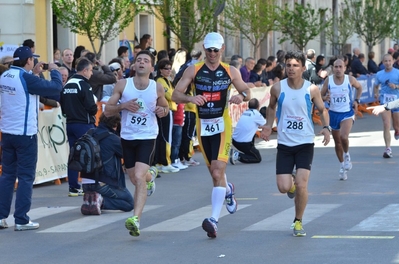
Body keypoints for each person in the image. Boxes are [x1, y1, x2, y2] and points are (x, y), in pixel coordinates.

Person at [172, 32, 251, 238]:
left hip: (222, 125)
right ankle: (228, 190)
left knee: (217, 172)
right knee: (216, 176)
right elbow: (175, 94)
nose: (213, 53)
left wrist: (239, 97)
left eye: (216, 50)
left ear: (222, 49)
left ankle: (214, 220)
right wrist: (191, 97)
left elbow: (246, 92)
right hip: (203, 125)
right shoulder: (194, 70)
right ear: (204, 49)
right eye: (209, 50)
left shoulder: (230, 71)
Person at [260, 51, 331, 237]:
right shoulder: (277, 88)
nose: (291, 69)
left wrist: (326, 127)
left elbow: (322, 110)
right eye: (288, 65)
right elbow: (271, 107)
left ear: (302, 68)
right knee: (283, 187)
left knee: (302, 184)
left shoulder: (311, 89)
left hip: (305, 142)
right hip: (284, 143)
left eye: (295, 65)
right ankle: (290, 186)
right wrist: (268, 125)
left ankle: (298, 221)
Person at [104, 50, 169, 237]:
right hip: (127, 137)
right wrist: (123, 106)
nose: (141, 63)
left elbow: (165, 107)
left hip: (148, 136)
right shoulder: (123, 84)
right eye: (138, 60)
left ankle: (136, 219)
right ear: (133, 65)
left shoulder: (156, 87)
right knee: (134, 178)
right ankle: (151, 177)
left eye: (145, 60)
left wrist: (162, 110)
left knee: (138, 177)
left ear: (151, 67)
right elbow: (107, 110)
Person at [0, 46, 62, 231]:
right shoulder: (25, 78)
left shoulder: (5, 76)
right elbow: (55, 88)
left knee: (7, 176)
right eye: (32, 60)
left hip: (8, 133)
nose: (35, 62)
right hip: (25, 134)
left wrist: (35, 73)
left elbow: (25, 90)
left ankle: (1, 216)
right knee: (26, 177)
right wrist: (54, 70)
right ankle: (21, 219)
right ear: (28, 60)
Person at [81, 113, 134, 215]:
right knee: (129, 203)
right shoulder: (113, 139)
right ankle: (100, 201)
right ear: (115, 125)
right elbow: (128, 154)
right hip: (103, 183)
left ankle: (91, 199)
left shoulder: (89, 133)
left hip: (85, 182)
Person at [60, 58, 98, 197]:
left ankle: (73, 187)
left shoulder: (67, 84)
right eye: (91, 70)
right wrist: (94, 107)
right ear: (85, 70)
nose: (92, 74)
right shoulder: (84, 85)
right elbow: (91, 108)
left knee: (74, 156)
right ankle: (90, 186)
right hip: (83, 124)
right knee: (89, 155)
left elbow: (63, 107)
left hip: (69, 124)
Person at [320, 59, 362, 180]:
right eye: (336, 67)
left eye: (340, 67)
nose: (338, 69)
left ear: (344, 68)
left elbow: (359, 88)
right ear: (333, 68)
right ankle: (342, 165)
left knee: (344, 137)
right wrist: (324, 97)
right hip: (333, 114)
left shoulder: (349, 79)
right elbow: (320, 95)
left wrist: (356, 100)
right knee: (337, 142)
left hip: (347, 113)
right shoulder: (329, 80)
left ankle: (347, 154)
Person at [154, 59, 180, 173]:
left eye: (170, 68)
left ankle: (162, 161)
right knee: (166, 136)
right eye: (166, 68)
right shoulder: (160, 81)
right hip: (166, 109)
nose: (169, 70)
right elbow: (169, 95)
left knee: (164, 136)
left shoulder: (168, 81)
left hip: (169, 109)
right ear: (160, 70)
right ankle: (165, 162)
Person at [373, 53, 399, 158]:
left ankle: (397, 130)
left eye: (389, 61)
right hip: (384, 102)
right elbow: (376, 86)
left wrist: (396, 86)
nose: (388, 63)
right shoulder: (379, 74)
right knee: (386, 124)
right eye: (385, 61)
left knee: (396, 126)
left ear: (393, 61)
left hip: (396, 102)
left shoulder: (397, 73)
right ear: (383, 62)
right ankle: (388, 149)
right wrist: (376, 93)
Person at [229, 98, 266, 165]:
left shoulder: (245, 112)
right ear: (258, 106)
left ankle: (247, 151)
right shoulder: (256, 114)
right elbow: (266, 125)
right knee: (257, 158)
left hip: (234, 140)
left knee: (252, 134)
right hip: (243, 144)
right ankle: (237, 155)